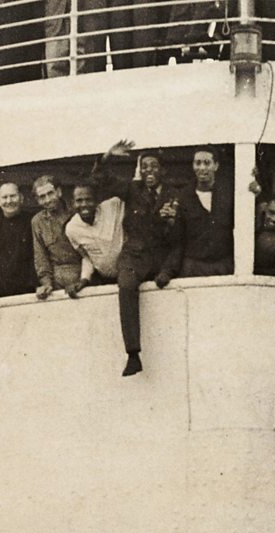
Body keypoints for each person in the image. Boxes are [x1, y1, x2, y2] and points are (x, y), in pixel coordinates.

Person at [90, 139, 182, 377]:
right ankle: (133, 354)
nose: (148, 171)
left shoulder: (174, 194)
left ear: (163, 171)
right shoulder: (132, 189)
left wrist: (171, 222)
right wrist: (107, 157)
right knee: (126, 284)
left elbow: (180, 237)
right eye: (144, 167)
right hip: (135, 254)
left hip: (160, 255)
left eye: (153, 167)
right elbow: (100, 180)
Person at [174, 146, 235, 277]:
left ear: (216, 166)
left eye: (207, 163)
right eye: (198, 163)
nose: (202, 168)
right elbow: (178, 238)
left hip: (223, 266)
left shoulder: (229, 193)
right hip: (193, 267)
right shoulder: (184, 196)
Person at [63, 182, 124, 297]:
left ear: (97, 201)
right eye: (79, 200)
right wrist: (84, 279)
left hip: (128, 274)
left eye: (88, 200)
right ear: (72, 203)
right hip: (105, 280)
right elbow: (87, 256)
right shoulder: (71, 229)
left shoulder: (113, 206)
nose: (84, 204)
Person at [31, 175, 83, 298]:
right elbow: (41, 257)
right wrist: (47, 284)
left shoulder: (76, 212)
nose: (48, 200)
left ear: (59, 192)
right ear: (38, 200)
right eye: (42, 197)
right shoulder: (38, 221)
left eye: (50, 193)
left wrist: (83, 280)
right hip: (57, 281)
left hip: (83, 276)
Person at [0, 182, 37, 299]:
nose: (9, 201)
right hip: (0, 292)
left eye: (13, 196)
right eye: (4, 197)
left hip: (30, 290)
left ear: (21, 198)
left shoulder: (33, 221)